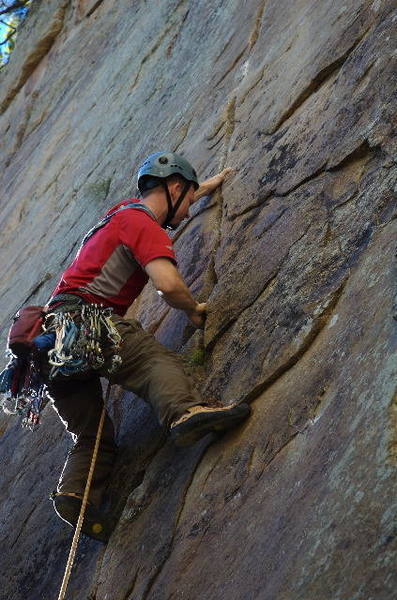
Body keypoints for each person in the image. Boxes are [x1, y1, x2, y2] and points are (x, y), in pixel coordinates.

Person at [45, 152, 251, 541]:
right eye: (188, 200)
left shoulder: (122, 213)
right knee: (151, 359)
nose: (189, 212)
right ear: (174, 188)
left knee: (92, 436)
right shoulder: (141, 224)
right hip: (85, 323)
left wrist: (206, 186)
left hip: (52, 343)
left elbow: (172, 201)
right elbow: (169, 284)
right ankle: (186, 413)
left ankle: (75, 494)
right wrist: (192, 310)